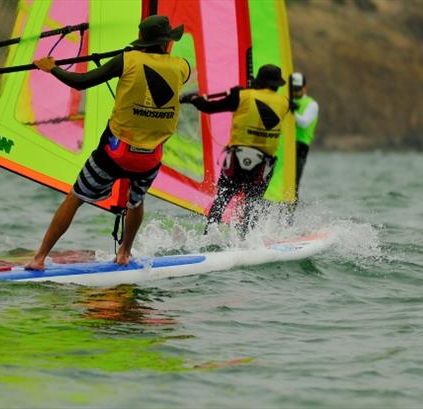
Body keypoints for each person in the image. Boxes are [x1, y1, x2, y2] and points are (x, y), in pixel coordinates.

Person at [26, 15, 190, 269]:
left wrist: (52, 68)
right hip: (149, 159)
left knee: (76, 197)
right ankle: (124, 253)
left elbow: (81, 82)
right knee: (135, 201)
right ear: (167, 42)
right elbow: (157, 70)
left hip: (114, 154)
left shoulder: (127, 60)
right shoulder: (182, 66)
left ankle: (39, 258)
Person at [181, 64, 290, 237]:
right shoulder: (285, 103)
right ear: (277, 84)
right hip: (263, 165)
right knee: (252, 203)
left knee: (222, 199)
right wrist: (241, 93)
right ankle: (247, 240)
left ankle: (208, 236)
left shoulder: (241, 96)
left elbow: (209, 107)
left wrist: (194, 99)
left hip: (237, 160)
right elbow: (261, 102)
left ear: (259, 81)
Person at [290, 72, 318, 203]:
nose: (295, 92)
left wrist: (291, 111)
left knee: (293, 184)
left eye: (297, 89)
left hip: (300, 147)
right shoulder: (286, 100)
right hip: (284, 145)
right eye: (292, 89)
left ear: (304, 87)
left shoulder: (312, 104)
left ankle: (289, 218)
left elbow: (304, 123)